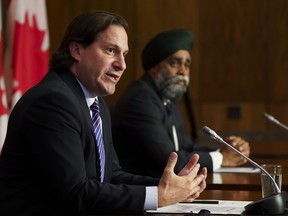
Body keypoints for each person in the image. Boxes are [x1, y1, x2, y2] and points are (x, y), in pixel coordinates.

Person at [0, 12, 207, 215]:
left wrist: (171, 188)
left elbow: (110, 176)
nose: (122, 65)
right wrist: (159, 196)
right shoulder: (53, 102)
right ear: (77, 50)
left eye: (124, 54)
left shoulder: (95, 102)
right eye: (110, 50)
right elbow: (76, 193)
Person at [111, 28, 250, 178]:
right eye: (175, 63)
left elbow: (186, 147)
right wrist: (223, 158)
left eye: (187, 64)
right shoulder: (140, 101)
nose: (183, 71)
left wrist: (227, 150)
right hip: (141, 193)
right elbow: (170, 161)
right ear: (154, 67)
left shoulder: (165, 98)